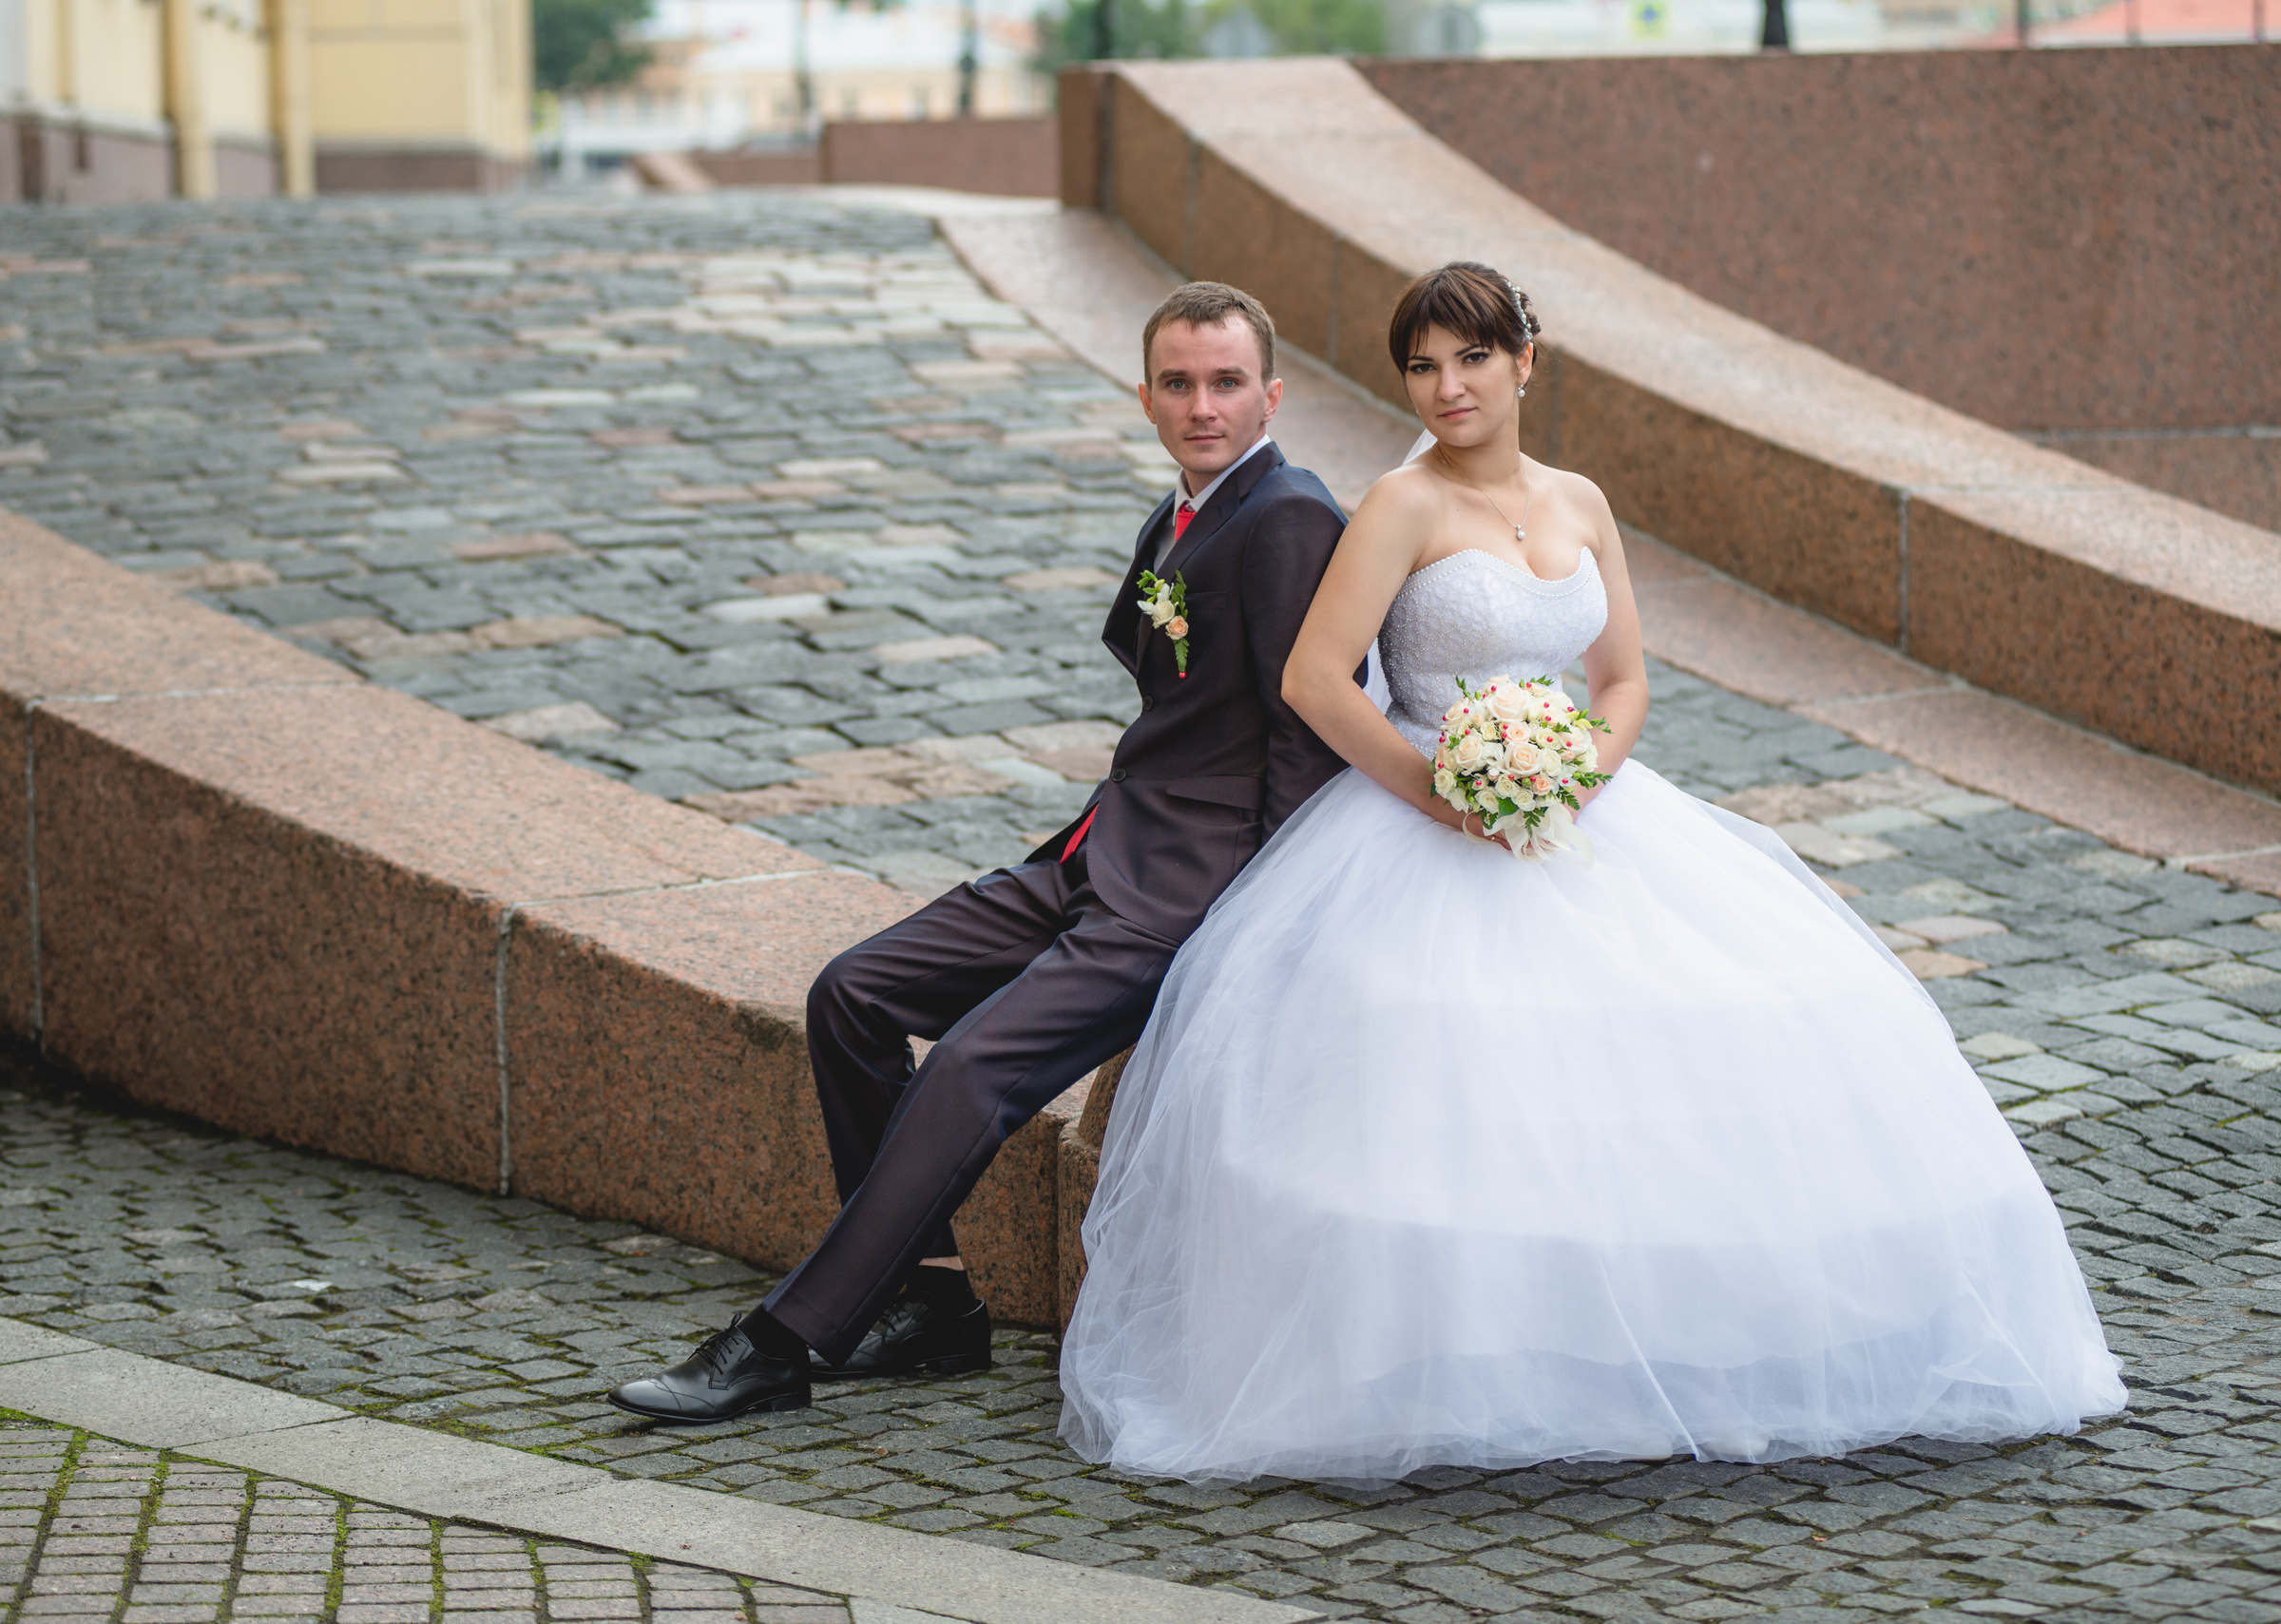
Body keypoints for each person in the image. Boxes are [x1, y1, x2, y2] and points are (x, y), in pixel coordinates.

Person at [1057, 261, 2127, 1485]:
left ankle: (1679, 1346)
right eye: (1421, 364)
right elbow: (1314, 679)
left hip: (1580, 807)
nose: (1446, 385)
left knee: (1713, 1038)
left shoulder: (1583, 501)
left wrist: (1574, 773)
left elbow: (1621, 679)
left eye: (1470, 357)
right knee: (1451, 1082)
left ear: (1524, 362)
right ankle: (1471, 1359)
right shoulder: (1398, 505)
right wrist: (1439, 792)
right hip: (1428, 816)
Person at [607, 281, 1355, 1423]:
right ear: (1143, 392)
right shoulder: (1183, 511)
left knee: (968, 1064)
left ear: (1272, 391)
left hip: (1182, 893)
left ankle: (783, 1340)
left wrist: (1260, 921)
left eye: (1226, 382)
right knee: (852, 994)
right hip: (1097, 848)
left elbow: (1307, 738)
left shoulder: (1288, 514)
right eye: (1178, 382)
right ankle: (934, 1301)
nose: (1201, 405)